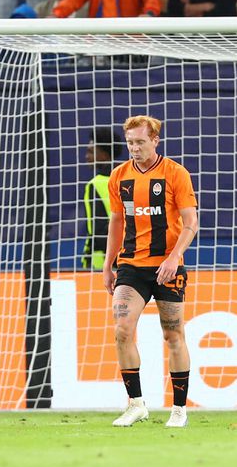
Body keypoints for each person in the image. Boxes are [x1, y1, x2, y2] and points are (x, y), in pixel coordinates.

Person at [102, 115, 198, 428]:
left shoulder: (175, 173)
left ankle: (179, 409)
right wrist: (108, 264)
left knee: (173, 335)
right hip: (131, 265)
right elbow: (117, 221)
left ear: (155, 140)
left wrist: (174, 257)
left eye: (141, 142)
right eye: (130, 142)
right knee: (122, 330)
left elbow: (191, 222)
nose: (135, 148)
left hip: (167, 266)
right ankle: (136, 404)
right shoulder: (119, 176)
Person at [81, 127, 122, 270]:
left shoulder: (94, 185)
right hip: (130, 260)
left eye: (91, 152)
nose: (86, 156)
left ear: (104, 155)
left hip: (102, 262)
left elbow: (96, 231)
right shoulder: (128, 179)